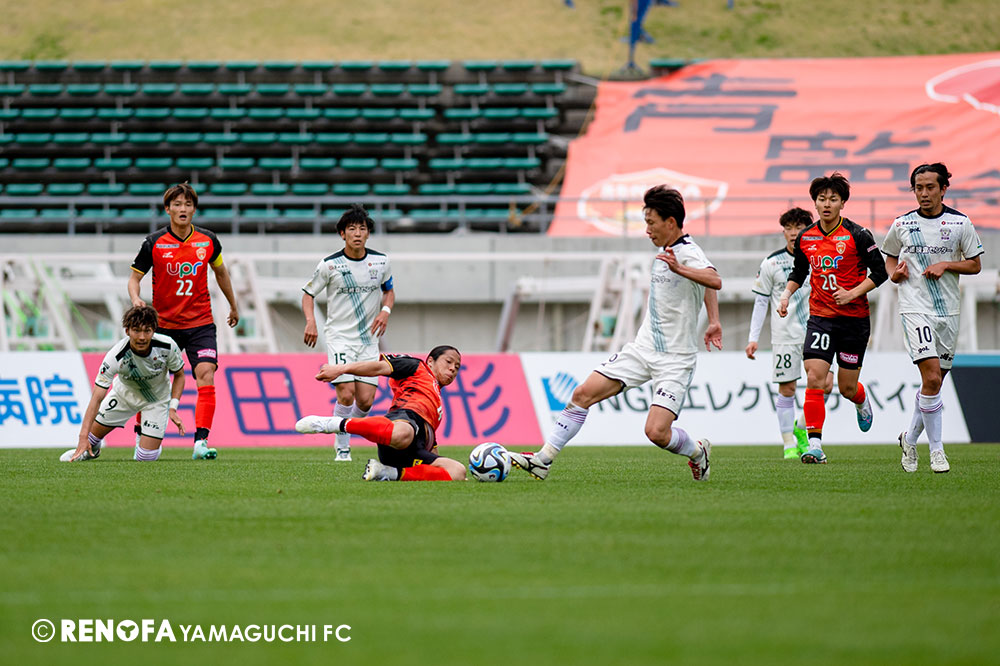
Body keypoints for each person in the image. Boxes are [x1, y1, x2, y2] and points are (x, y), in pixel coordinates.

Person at [510, 185, 723, 481]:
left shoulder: (687, 253)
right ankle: (543, 460)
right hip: (642, 349)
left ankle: (698, 452)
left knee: (656, 432)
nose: (647, 230)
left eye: (651, 223)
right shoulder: (667, 252)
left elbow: (714, 279)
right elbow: (705, 283)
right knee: (582, 393)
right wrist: (714, 320)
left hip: (676, 359)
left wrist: (681, 271)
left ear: (671, 222)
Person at [778, 173, 888, 464]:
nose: (827, 204)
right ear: (815, 203)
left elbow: (881, 272)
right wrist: (786, 294)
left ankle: (861, 399)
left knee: (847, 387)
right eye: (822, 199)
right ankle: (815, 445)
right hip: (821, 317)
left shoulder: (858, 235)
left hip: (854, 320)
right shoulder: (806, 237)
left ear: (842, 203)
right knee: (814, 377)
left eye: (833, 199)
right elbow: (799, 272)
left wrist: (853, 293)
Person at [881, 163, 983, 473]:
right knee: (932, 378)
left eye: (930, 187)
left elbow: (975, 264)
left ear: (943, 189)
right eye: (918, 188)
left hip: (948, 312)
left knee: (933, 384)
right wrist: (894, 274)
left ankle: (909, 439)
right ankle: (937, 451)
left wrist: (946, 265)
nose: (923, 193)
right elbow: (890, 258)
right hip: (915, 307)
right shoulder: (902, 224)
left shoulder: (960, 223)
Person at [128, 183, 239, 460]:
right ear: (167, 209)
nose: (183, 209)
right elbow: (134, 278)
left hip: (200, 323)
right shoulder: (153, 243)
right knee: (153, 379)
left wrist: (233, 304)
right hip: (164, 326)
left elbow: (221, 273)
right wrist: (136, 298)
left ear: (194, 209)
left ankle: (201, 441)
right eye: (177, 204)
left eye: (188, 204)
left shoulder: (208, 240)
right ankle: (142, 433)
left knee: (206, 374)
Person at [301, 204, 395, 462]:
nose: (357, 233)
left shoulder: (381, 262)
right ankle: (342, 446)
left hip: (368, 340)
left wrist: (385, 310)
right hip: (339, 337)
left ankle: (341, 427)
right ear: (342, 234)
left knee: (365, 402)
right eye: (351, 229)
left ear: (368, 234)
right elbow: (308, 294)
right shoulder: (329, 265)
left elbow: (389, 291)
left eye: (362, 229)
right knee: (346, 393)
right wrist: (310, 321)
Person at [294, 346, 466, 481]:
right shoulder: (417, 366)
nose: (453, 369)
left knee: (458, 471)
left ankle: (386, 472)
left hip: (414, 449)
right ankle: (334, 424)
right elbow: (378, 367)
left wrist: (435, 467)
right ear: (430, 361)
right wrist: (341, 369)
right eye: (448, 362)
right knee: (402, 434)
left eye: (457, 367)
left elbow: (431, 446)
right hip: (402, 423)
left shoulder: (437, 403)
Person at [746, 207, 834, 459]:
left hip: (818, 330)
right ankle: (788, 445)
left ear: (809, 229)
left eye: (799, 227)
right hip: (785, 335)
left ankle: (801, 426)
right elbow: (761, 301)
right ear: (783, 231)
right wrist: (753, 338)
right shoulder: (772, 263)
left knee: (826, 384)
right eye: (788, 228)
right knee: (787, 388)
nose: (794, 233)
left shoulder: (821, 257)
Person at [61, 305, 185, 462]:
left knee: (145, 458)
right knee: (91, 439)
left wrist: (172, 407)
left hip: (156, 400)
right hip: (123, 396)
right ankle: (92, 450)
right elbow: (96, 398)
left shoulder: (168, 346)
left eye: (147, 331)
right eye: (136, 330)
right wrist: (83, 437)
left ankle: (143, 433)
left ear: (154, 330)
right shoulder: (115, 356)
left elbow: (180, 375)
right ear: (127, 331)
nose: (142, 337)